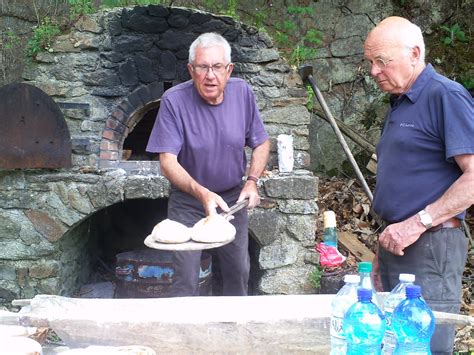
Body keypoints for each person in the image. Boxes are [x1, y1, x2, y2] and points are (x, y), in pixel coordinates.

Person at [365, 17, 473, 354]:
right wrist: (383, 249)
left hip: (431, 246)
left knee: (426, 345)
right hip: (398, 244)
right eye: (370, 62)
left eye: (382, 61)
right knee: (395, 344)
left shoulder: (445, 96)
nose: (373, 71)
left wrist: (417, 223)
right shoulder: (401, 102)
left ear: (414, 53)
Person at [146, 32, 270, 297]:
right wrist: (202, 193)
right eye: (202, 67)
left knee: (238, 271)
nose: (209, 75)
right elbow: (167, 161)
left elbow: (261, 142)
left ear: (229, 69)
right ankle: (187, 336)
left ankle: (235, 329)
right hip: (189, 201)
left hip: (231, 200)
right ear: (191, 70)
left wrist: (252, 182)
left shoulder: (243, 93)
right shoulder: (174, 101)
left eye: (216, 67)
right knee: (185, 279)